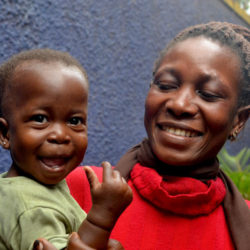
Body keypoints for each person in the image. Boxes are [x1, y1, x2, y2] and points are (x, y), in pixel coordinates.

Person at [55, 22, 249, 250]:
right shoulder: (76, 189)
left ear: (238, 120)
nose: (179, 104)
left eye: (208, 94)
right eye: (166, 85)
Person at [0, 49, 132, 250]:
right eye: (40, 119)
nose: (60, 135)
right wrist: (103, 214)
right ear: (5, 133)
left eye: (74, 121)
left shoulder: (37, 188)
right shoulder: (31, 206)